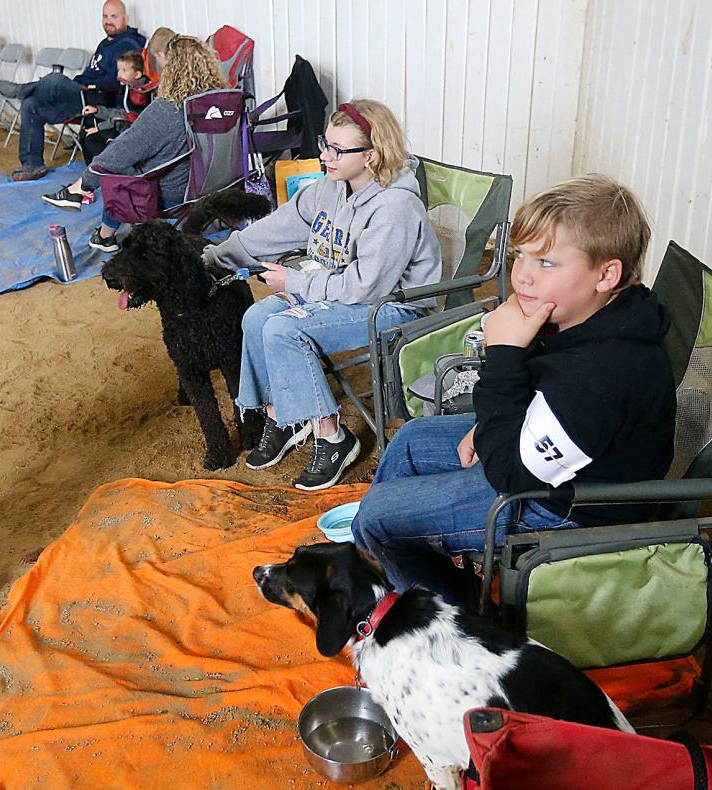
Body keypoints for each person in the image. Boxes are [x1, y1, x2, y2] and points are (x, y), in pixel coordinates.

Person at [351, 174, 676, 603]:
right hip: (549, 456)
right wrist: (489, 422)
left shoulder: (603, 376)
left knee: (378, 519)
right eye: (519, 255)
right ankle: (411, 580)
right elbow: (539, 397)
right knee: (411, 441)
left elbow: (511, 478)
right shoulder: (587, 316)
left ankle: (449, 623)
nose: (521, 276)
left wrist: (504, 354)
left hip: (571, 506)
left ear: (606, 274)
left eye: (546, 263)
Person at [203, 99, 442, 491]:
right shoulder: (331, 187)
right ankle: (283, 416)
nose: (323, 155)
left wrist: (295, 284)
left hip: (394, 307)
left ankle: (333, 438)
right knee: (256, 318)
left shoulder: (395, 207)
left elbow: (367, 286)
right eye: (324, 144)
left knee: (284, 329)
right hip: (340, 292)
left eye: (336, 149)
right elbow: (277, 229)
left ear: (371, 156)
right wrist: (217, 257)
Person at [42, 35, 224, 255]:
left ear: (173, 69)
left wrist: (90, 178)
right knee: (131, 156)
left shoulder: (168, 108)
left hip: (174, 193)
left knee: (119, 165)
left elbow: (124, 151)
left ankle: (86, 201)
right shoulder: (222, 103)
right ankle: (100, 226)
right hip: (215, 183)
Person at [9, 0, 144, 182]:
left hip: (99, 99)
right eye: (105, 16)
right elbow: (90, 72)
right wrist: (78, 83)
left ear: (125, 19)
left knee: (56, 80)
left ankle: (22, 89)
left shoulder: (129, 44)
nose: (108, 21)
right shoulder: (105, 43)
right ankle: (32, 165)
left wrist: (91, 85)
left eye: (114, 16)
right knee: (30, 104)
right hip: (81, 95)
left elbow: (121, 78)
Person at [77, 49, 152, 166]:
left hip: (129, 131)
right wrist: (97, 110)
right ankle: (94, 172)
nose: (119, 74)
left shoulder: (140, 92)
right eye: (118, 70)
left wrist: (100, 128)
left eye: (124, 70)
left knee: (92, 139)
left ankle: (106, 172)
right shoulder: (125, 88)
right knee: (83, 134)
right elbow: (119, 112)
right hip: (120, 125)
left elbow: (129, 118)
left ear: (137, 74)